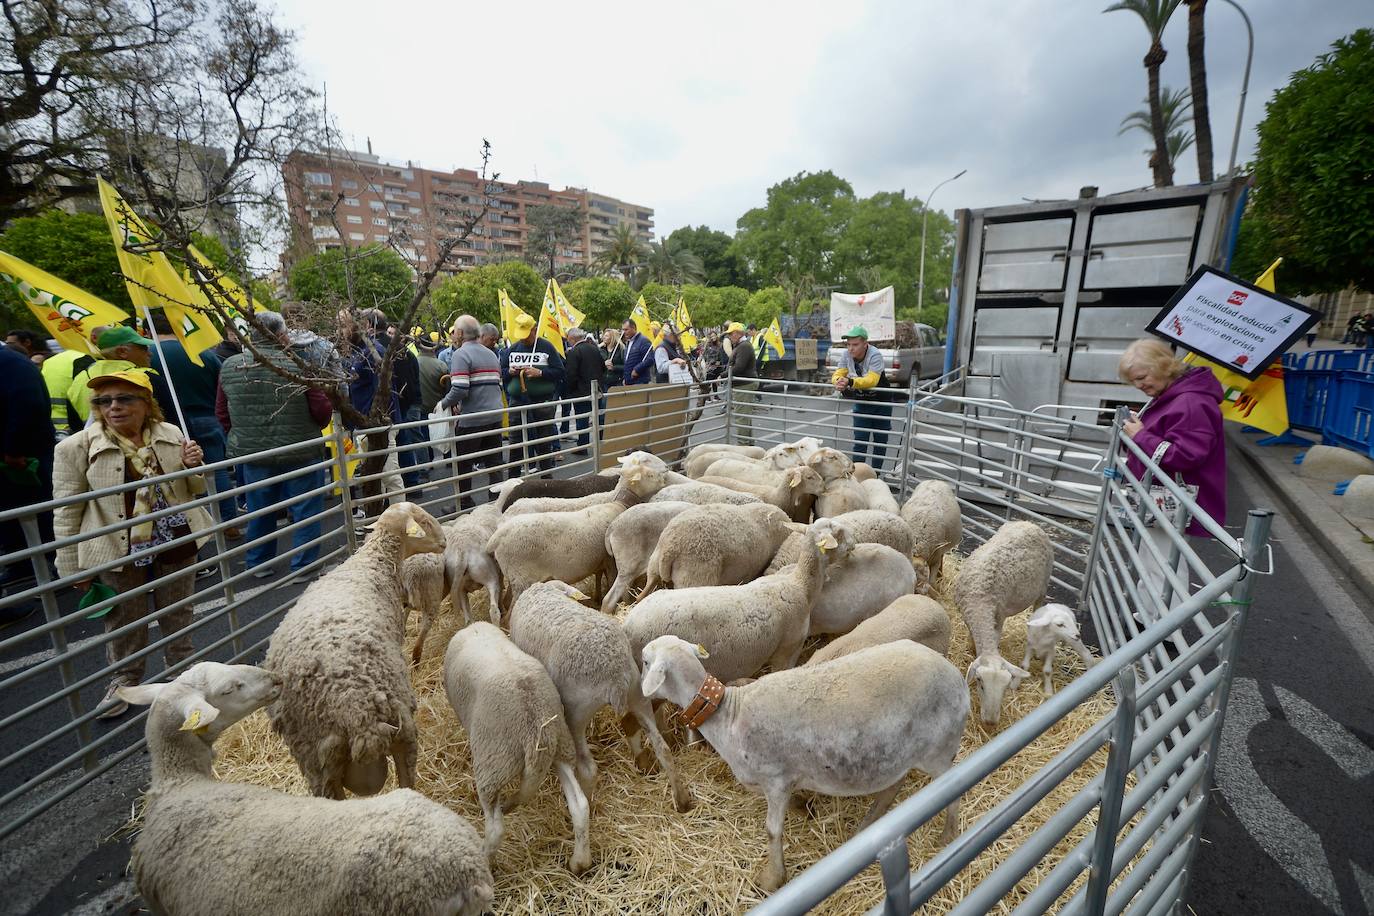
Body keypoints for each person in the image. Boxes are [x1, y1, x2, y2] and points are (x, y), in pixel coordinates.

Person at [52, 368, 212, 717]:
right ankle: (124, 683)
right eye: (104, 401)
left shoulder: (171, 433)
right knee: (124, 621)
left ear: (146, 404)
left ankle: (183, 678)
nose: (114, 407)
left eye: (125, 399)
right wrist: (69, 567)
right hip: (116, 549)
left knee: (178, 614)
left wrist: (193, 467)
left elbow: (195, 489)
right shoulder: (74, 448)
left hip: (175, 539)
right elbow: (66, 510)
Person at [217, 311, 332, 579]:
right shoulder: (298, 364)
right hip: (300, 449)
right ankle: (304, 565)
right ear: (281, 334)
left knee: (260, 509)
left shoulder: (232, 366)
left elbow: (222, 412)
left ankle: (258, 562)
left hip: (254, 453)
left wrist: (241, 436)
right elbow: (321, 409)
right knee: (306, 508)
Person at [1118, 338, 1226, 616]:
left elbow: (1187, 455)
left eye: (1142, 377)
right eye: (1135, 381)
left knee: (1163, 560)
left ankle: (1163, 625)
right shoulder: (1175, 396)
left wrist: (1140, 435)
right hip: (1160, 494)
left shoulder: (1189, 402)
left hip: (1170, 495)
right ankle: (1151, 614)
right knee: (1154, 556)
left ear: (1163, 366)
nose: (1140, 386)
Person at [143, 310, 239, 537]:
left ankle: (197, 528)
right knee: (216, 472)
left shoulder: (149, 355)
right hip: (209, 419)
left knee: (181, 478)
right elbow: (222, 385)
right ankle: (229, 523)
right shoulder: (203, 354)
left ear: (148, 331)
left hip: (170, 426)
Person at [0, 342, 56, 626]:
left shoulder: (11, 364)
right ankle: (21, 562)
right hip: (14, 460)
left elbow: (29, 405)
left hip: (24, 459)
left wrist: (13, 448)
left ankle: (58, 567)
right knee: (13, 517)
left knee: (41, 513)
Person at [441, 315, 505, 510]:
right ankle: (496, 503)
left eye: (454, 333)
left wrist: (443, 403)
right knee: (494, 462)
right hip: (494, 415)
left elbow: (460, 388)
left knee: (463, 464)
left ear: (460, 333)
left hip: (473, 418)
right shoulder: (491, 354)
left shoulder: (461, 354)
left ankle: (464, 503)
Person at [501, 313, 565, 474]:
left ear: (534, 330)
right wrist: (509, 372)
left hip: (541, 401)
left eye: (527, 334)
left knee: (543, 442)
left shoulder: (547, 347)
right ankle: (513, 479)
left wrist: (540, 373)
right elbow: (501, 372)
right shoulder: (513, 349)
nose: (523, 339)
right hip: (517, 401)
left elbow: (560, 371)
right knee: (515, 441)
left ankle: (546, 478)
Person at [832, 326, 896, 472]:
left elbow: (872, 380)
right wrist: (838, 382)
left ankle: (876, 475)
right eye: (848, 344)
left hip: (881, 403)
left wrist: (850, 382)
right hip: (861, 401)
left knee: (880, 441)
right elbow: (837, 373)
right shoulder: (846, 355)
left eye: (855, 345)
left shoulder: (875, 355)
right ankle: (857, 475)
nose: (850, 348)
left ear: (865, 344)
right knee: (860, 440)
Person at [67, 326, 154, 425]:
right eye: (144, 349)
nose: (150, 354)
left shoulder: (80, 379)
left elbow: (74, 424)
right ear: (122, 352)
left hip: (93, 439)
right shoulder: (145, 377)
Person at [563, 327, 603, 455]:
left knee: (582, 420)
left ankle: (582, 446)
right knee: (598, 417)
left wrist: (571, 389)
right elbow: (602, 368)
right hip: (596, 389)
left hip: (580, 391)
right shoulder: (594, 349)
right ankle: (601, 442)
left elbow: (571, 374)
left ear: (572, 339)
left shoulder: (574, 352)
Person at [725, 321, 759, 446]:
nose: (729, 336)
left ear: (738, 333)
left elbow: (739, 367)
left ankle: (743, 445)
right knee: (745, 416)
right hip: (744, 383)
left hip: (744, 384)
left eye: (731, 334)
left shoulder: (744, 346)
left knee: (741, 416)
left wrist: (724, 374)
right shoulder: (742, 345)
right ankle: (749, 444)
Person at [623, 320, 654, 385]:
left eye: (626, 330)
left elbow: (650, 359)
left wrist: (637, 369)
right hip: (629, 382)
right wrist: (625, 378)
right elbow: (627, 361)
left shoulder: (643, 341)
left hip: (640, 381)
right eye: (623, 330)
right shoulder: (628, 343)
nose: (624, 332)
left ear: (633, 328)